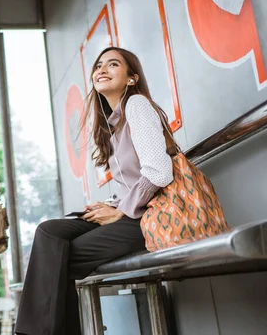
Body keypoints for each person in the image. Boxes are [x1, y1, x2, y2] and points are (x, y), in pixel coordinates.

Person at [15, 47, 175, 335]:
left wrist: (120, 211)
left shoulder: (137, 105)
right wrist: (111, 205)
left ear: (131, 78)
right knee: (49, 232)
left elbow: (159, 171)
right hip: (130, 212)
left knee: (57, 258)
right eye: (99, 65)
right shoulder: (115, 122)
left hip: (152, 218)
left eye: (113, 64)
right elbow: (134, 180)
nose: (101, 69)